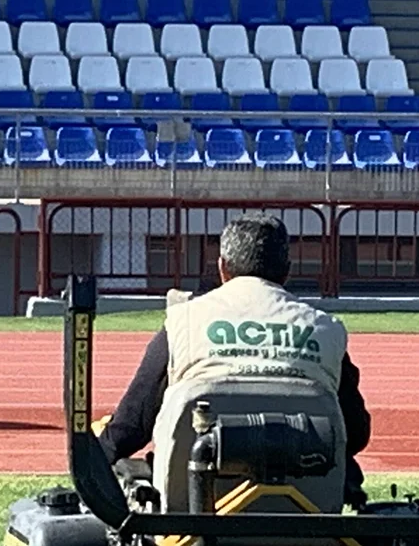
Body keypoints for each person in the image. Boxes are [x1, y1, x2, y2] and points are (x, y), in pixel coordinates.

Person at [96, 212, 371, 495]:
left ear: (222, 268)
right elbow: (355, 433)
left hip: (194, 510)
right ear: (286, 271)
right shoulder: (324, 329)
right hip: (306, 510)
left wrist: (97, 452)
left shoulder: (184, 322)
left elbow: (130, 427)